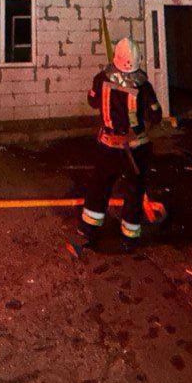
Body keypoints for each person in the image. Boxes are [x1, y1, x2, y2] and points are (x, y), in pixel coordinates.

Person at [71, 36, 163, 255]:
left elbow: (92, 101)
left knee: (99, 187)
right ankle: (129, 238)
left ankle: (88, 229)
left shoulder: (100, 79)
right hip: (136, 149)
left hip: (108, 146)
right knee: (134, 191)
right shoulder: (143, 85)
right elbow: (155, 115)